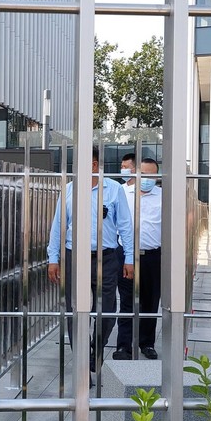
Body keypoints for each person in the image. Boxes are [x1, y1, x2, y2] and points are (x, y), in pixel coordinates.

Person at [47, 146, 134, 372]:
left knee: (106, 311)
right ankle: (83, 362)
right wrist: (53, 258)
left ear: (94, 165)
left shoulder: (114, 189)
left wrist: (130, 259)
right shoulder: (68, 190)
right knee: (75, 311)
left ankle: (97, 346)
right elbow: (58, 226)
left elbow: (125, 225)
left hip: (106, 258)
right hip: (74, 257)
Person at [115, 157, 163, 359]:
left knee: (150, 301)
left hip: (153, 255)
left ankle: (147, 343)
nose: (147, 179)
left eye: (152, 175)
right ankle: (123, 346)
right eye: (144, 174)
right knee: (126, 301)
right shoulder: (122, 193)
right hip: (125, 255)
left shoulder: (163, 196)